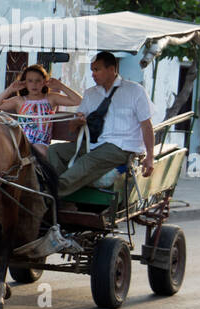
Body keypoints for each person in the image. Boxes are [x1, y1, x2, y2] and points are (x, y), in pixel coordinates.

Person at [46, 50, 155, 198]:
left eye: (97, 70)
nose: (93, 74)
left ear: (111, 69)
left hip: (121, 147)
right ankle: (61, 191)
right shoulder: (91, 94)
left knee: (87, 161)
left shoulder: (135, 91)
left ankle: (50, 194)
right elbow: (73, 127)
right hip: (94, 145)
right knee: (54, 151)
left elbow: (146, 125)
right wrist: (77, 121)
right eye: (92, 70)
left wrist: (150, 156)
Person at [0, 64, 81, 159]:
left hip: (41, 145)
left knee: (38, 149)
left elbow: (78, 100)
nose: (34, 84)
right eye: (30, 81)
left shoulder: (51, 98)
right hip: (22, 143)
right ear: (25, 83)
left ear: (44, 82)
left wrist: (61, 86)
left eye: (38, 81)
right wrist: (9, 90)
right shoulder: (19, 100)